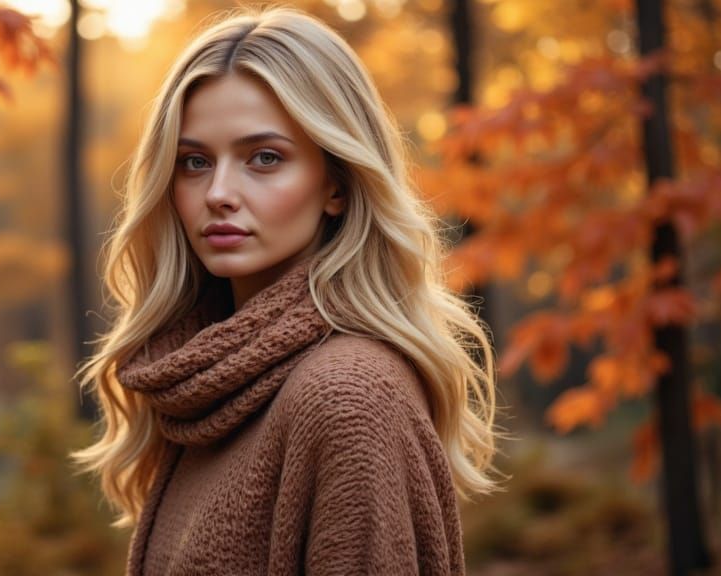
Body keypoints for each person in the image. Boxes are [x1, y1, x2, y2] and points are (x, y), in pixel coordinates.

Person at [71, 7, 502, 575]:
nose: (218, 192)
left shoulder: (347, 398)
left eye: (265, 158)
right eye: (194, 162)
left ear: (337, 184)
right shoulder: (206, 382)